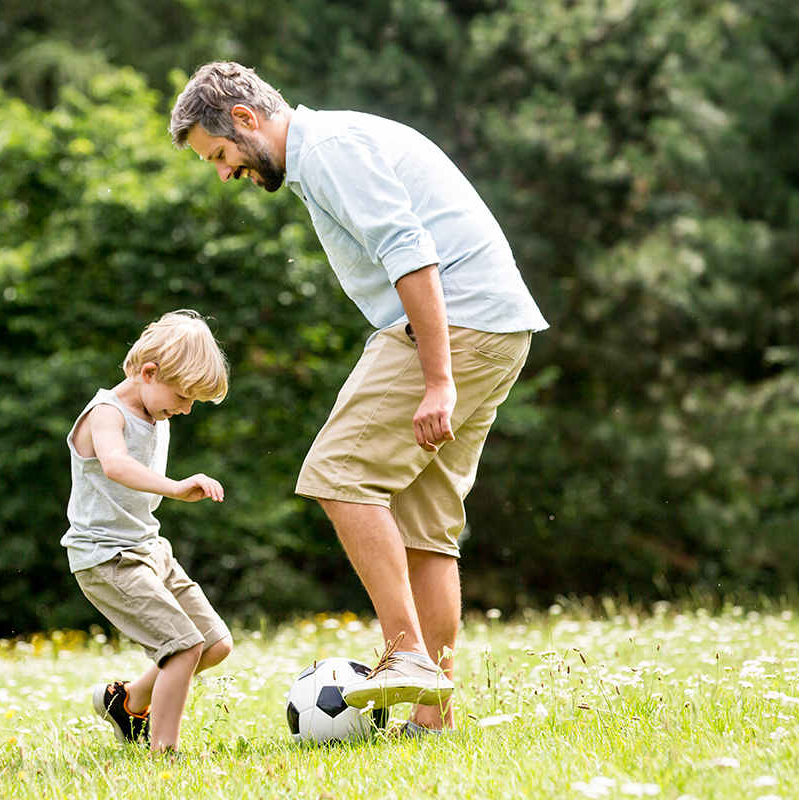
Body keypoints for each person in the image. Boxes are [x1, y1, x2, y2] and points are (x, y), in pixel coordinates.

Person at [169, 62, 549, 735]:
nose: (225, 174)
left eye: (221, 155)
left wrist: (437, 380)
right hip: (495, 326)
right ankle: (432, 720)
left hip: (456, 324)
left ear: (247, 119)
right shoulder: (334, 145)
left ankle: (407, 656)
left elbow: (412, 252)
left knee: (338, 475)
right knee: (424, 527)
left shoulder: (328, 151)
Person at [62, 309, 234, 752]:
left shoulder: (157, 414)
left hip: (150, 548)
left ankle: (128, 701)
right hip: (108, 558)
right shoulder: (106, 413)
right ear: (148, 372)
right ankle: (165, 753)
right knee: (182, 649)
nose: (185, 408)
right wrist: (177, 488)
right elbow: (116, 465)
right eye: (181, 396)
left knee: (214, 644)